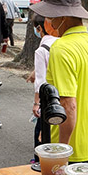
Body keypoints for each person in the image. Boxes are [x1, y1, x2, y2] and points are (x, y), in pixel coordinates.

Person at [29, 0, 88, 166]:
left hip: (71, 149)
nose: (48, 20)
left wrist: (61, 151)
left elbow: (68, 105)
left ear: (60, 17)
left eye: (49, 15)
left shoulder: (61, 48)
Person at [27, 13, 59, 157]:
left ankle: (39, 160)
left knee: (41, 130)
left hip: (48, 96)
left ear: (40, 28)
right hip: (63, 92)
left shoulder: (41, 50)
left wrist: (36, 103)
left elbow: (40, 82)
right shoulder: (60, 43)